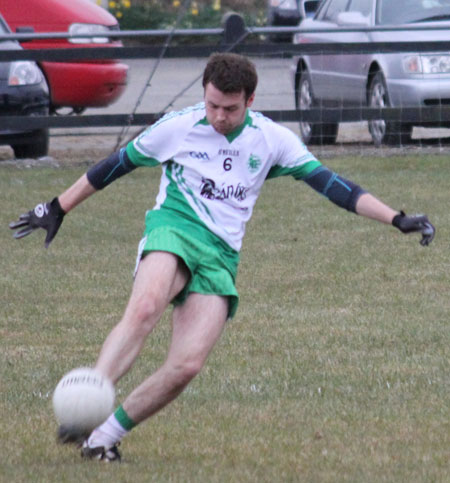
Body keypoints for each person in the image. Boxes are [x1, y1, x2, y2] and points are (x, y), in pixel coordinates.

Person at [9, 53, 435, 462]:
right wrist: (57, 207)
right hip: (173, 227)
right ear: (204, 94)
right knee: (144, 308)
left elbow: (335, 187)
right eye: (212, 104)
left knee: (187, 364)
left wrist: (395, 219)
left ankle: (104, 437)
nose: (218, 116)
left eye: (229, 109)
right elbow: (114, 166)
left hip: (221, 254)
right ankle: (88, 401)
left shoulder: (271, 139)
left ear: (250, 101)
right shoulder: (178, 126)